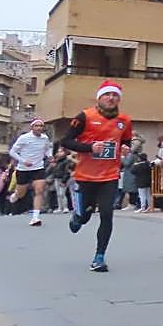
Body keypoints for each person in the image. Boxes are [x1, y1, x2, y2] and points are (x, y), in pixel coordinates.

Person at [61, 80, 135, 272]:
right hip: (85, 175)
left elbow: (125, 142)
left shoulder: (124, 120)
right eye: (107, 95)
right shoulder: (85, 116)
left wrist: (125, 150)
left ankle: (99, 257)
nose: (111, 98)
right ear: (99, 97)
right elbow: (66, 141)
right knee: (83, 217)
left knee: (106, 215)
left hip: (109, 176)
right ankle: (77, 218)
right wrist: (89, 148)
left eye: (115, 96)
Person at [8, 118, 53, 226]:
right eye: (36, 126)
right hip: (23, 169)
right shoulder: (24, 138)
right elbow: (12, 152)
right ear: (31, 127)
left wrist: (50, 156)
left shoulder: (45, 138)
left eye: (41, 126)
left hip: (38, 167)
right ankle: (16, 195)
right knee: (21, 193)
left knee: (40, 190)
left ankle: (35, 218)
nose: (39, 128)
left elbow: (47, 149)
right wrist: (23, 161)